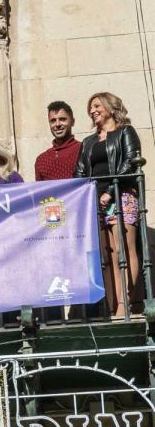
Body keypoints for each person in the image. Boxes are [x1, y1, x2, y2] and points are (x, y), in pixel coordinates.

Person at [74, 91, 143, 316]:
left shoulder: (125, 132)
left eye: (96, 106)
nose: (92, 110)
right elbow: (80, 171)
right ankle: (113, 305)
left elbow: (131, 162)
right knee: (109, 253)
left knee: (124, 248)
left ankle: (125, 304)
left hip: (121, 194)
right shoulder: (89, 142)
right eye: (90, 108)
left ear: (110, 107)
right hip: (96, 200)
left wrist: (110, 191)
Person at [35, 100, 82, 181]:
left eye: (62, 119)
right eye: (53, 120)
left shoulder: (84, 150)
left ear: (73, 122)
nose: (57, 124)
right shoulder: (41, 160)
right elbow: (40, 192)